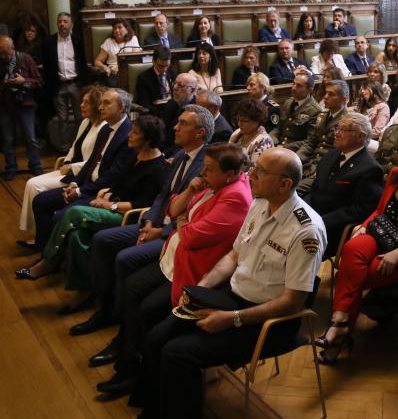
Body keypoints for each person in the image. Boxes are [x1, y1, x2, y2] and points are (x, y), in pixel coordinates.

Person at [129, 148, 326, 418]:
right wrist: (203, 288)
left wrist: (232, 318)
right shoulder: (259, 204)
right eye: (254, 167)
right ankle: (154, 408)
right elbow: (234, 255)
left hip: (265, 320)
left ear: (284, 184)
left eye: (260, 171)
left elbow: (293, 301)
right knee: (157, 335)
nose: (251, 174)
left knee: (177, 353)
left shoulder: (306, 231)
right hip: (231, 295)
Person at [95, 142, 252, 396]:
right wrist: (189, 193)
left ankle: (136, 371)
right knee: (132, 287)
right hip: (175, 257)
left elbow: (190, 236)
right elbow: (173, 210)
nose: (203, 174)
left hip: (195, 270)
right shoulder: (213, 185)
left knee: (145, 307)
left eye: (210, 169)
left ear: (231, 174)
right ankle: (127, 358)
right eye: (204, 167)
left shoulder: (236, 196)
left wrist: (182, 222)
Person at [71, 105, 211, 339]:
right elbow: (161, 196)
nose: (175, 127)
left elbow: (195, 213)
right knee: (102, 240)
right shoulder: (179, 156)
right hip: (155, 222)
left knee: (125, 258)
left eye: (183, 124)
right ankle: (107, 307)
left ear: (200, 133)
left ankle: (120, 317)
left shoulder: (206, 166)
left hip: (174, 233)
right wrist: (148, 221)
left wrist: (161, 231)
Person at [316, 127, 398, 363]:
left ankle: (340, 329)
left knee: (354, 273)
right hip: (380, 234)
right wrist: (364, 225)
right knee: (352, 249)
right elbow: (379, 210)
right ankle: (341, 325)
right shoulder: (396, 174)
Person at [15, 115, 168, 287]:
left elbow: (142, 204)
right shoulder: (136, 155)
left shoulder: (158, 168)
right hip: (111, 205)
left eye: (135, 132)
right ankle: (84, 286)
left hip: (127, 217)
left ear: (148, 139)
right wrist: (106, 194)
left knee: (74, 212)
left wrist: (110, 204)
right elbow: (118, 183)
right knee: (75, 236)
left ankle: (48, 262)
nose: (129, 135)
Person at [31, 88, 135, 251]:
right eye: (100, 103)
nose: (101, 107)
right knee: (40, 201)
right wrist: (74, 183)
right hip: (85, 185)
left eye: (107, 103)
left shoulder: (129, 135)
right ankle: (42, 247)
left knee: (59, 217)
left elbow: (113, 176)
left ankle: (52, 258)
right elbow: (90, 162)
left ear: (121, 108)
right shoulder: (106, 129)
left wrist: (80, 191)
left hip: (101, 192)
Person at [18, 86, 105, 241]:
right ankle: (40, 233)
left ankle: (42, 235)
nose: (81, 106)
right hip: (71, 169)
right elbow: (75, 146)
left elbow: (95, 161)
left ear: (97, 106)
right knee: (31, 183)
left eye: (86, 103)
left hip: (80, 173)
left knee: (34, 185)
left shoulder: (103, 128)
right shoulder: (86, 122)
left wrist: (72, 167)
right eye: (82, 102)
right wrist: (67, 161)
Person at [304, 112, 383, 259]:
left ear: (360, 136)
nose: (336, 133)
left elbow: (359, 211)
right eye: (337, 128)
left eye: (343, 130)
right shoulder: (330, 155)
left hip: (334, 229)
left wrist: (319, 222)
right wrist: (302, 211)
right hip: (311, 220)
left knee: (295, 248)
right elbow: (315, 189)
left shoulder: (370, 169)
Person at [42, 12, 88, 152]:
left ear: (71, 24)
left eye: (65, 21)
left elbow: (83, 63)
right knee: (62, 120)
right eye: (60, 21)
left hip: (75, 84)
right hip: (58, 85)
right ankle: (64, 149)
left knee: (81, 117)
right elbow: (46, 65)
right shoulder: (49, 42)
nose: (62, 24)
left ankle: (81, 146)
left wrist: (83, 83)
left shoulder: (78, 41)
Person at [0, 35, 43, 179]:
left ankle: (35, 165)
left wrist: (23, 81)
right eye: (1, 53)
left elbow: (39, 81)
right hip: (5, 105)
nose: (3, 56)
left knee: (31, 138)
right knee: (8, 139)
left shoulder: (26, 59)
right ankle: (11, 167)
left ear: (13, 48)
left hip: (26, 104)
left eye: (5, 53)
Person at [296, 79, 350, 193]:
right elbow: (310, 142)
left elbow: (341, 153)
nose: (325, 97)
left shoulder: (348, 121)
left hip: (326, 169)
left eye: (331, 94)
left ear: (343, 99)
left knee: (294, 190)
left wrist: (318, 169)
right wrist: (296, 160)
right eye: (326, 93)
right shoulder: (322, 116)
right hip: (309, 164)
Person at [270, 69, 320, 148]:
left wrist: (284, 148)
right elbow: (279, 128)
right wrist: (270, 139)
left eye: (299, 86)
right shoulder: (288, 103)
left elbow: (309, 141)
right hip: (278, 145)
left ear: (309, 90)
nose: (293, 88)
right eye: (293, 84)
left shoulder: (315, 110)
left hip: (294, 151)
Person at [229, 97, 274, 170]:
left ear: (257, 120)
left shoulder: (264, 142)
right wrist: (231, 142)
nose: (239, 124)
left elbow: (255, 173)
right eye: (238, 120)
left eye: (245, 121)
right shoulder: (237, 132)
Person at [94, 18, 139, 87]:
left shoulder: (133, 39)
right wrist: (105, 67)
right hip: (113, 73)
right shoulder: (109, 42)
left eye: (120, 27)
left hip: (129, 71)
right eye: (115, 28)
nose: (117, 30)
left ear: (127, 29)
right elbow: (97, 61)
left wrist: (122, 69)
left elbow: (136, 59)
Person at [160, 73, 197, 156]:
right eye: (175, 83)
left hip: (178, 153)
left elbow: (186, 142)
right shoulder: (171, 103)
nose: (175, 87)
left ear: (192, 90)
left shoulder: (196, 110)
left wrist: (163, 154)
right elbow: (162, 130)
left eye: (180, 85)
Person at [135, 45, 175, 110]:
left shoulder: (172, 73)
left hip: (172, 108)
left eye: (167, 65)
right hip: (155, 112)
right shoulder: (143, 78)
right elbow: (143, 103)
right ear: (153, 61)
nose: (164, 69)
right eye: (160, 66)